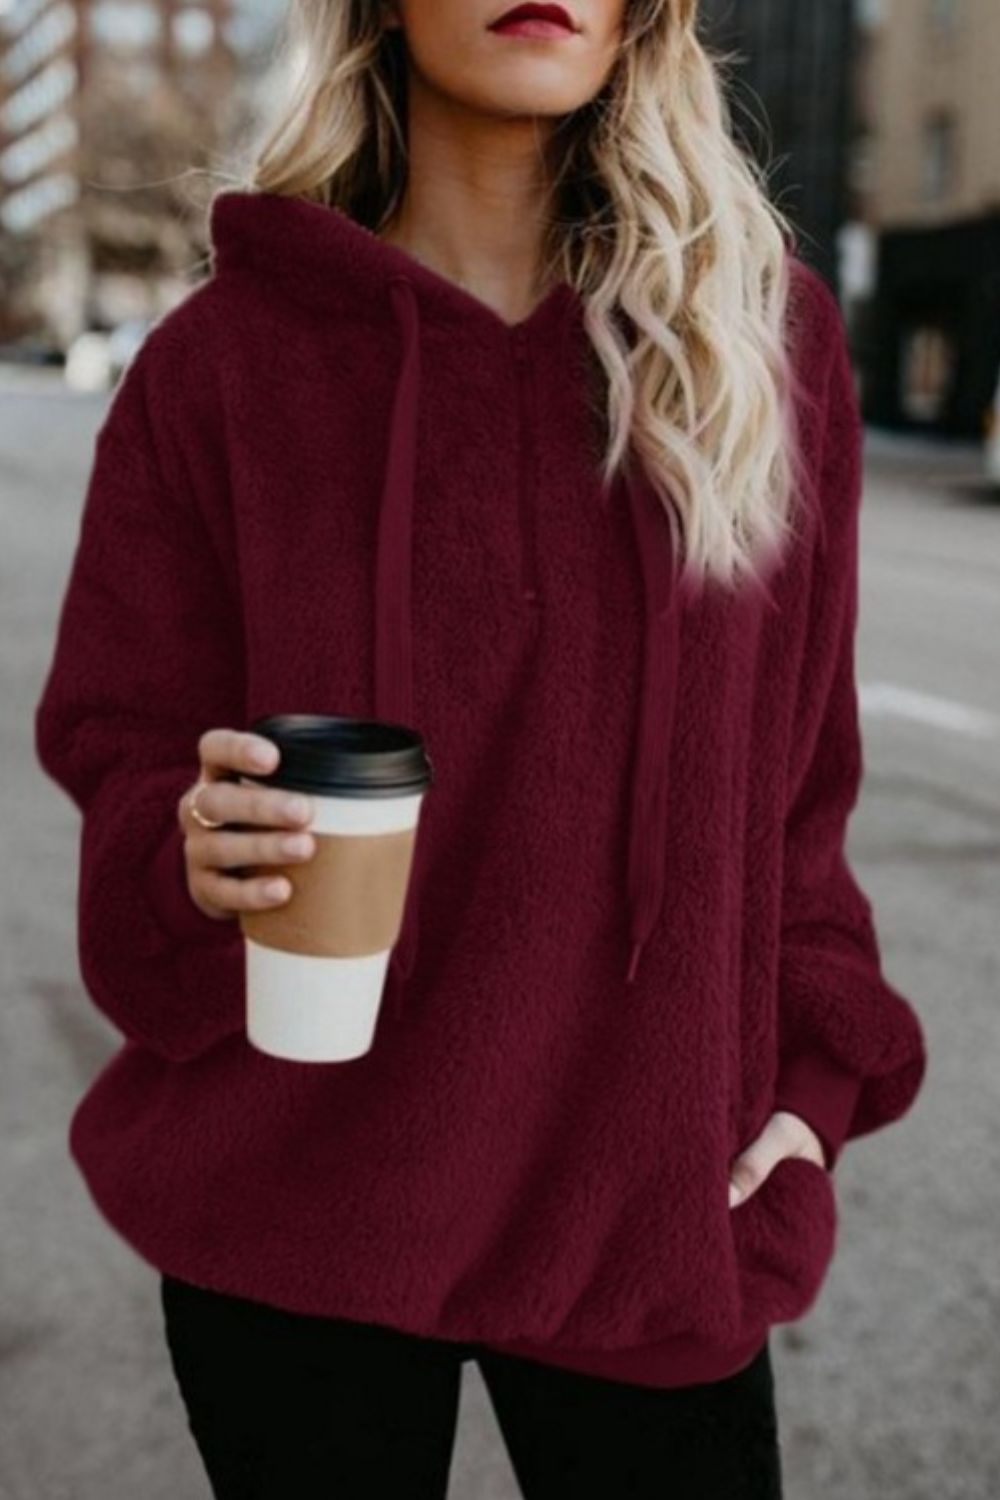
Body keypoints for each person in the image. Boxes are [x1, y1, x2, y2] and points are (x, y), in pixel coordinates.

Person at [33, 1, 928, 1496]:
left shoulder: (760, 345)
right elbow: (121, 746)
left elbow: (799, 787)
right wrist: (186, 849)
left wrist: (811, 1089)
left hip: (652, 1218)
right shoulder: (220, 368)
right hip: (295, 1215)